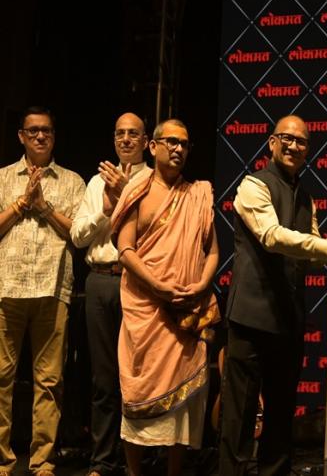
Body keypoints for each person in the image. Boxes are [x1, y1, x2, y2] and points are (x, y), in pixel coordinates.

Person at [219, 115, 327, 476]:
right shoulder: (253, 185)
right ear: (272, 143)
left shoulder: (306, 197)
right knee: (240, 416)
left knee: (281, 417)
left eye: (302, 141)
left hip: (288, 319)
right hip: (251, 317)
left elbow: (313, 252)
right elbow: (272, 236)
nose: (294, 146)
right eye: (287, 138)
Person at [110, 118, 220, 476]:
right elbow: (125, 249)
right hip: (146, 311)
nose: (178, 149)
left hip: (186, 310)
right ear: (153, 146)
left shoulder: (198, 194)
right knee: (137, 392)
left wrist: (202, 284)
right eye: (171, 141)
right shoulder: (137, 191)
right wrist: (157, 286)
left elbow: (213, 250)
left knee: (183, 407)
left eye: (184, 144)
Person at [0, 106, 86, 476]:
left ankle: (42, 461)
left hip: (53, 288)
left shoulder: (72, 181)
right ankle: (2, 461)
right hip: (7, 288)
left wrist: (44, 207)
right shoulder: (3, 178)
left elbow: (80, 235)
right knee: (1, 378)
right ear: (21, 136)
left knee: (50, 382)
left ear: (54, 136)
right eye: (33, 130)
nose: (40, 136)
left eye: (46, 131)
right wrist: (22, 203)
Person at [70, 112, 152, 476]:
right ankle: (103, 461)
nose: (126, 139)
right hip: (101, 280)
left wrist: (126, 194)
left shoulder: (155, 180)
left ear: (146, 141)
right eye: (120, 133)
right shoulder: (96, 182)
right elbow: (78, 237)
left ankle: (139, 460)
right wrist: (105, 209)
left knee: (138, 376)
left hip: (137, 282)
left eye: (133, 133)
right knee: (103, 379)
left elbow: (154, 234)